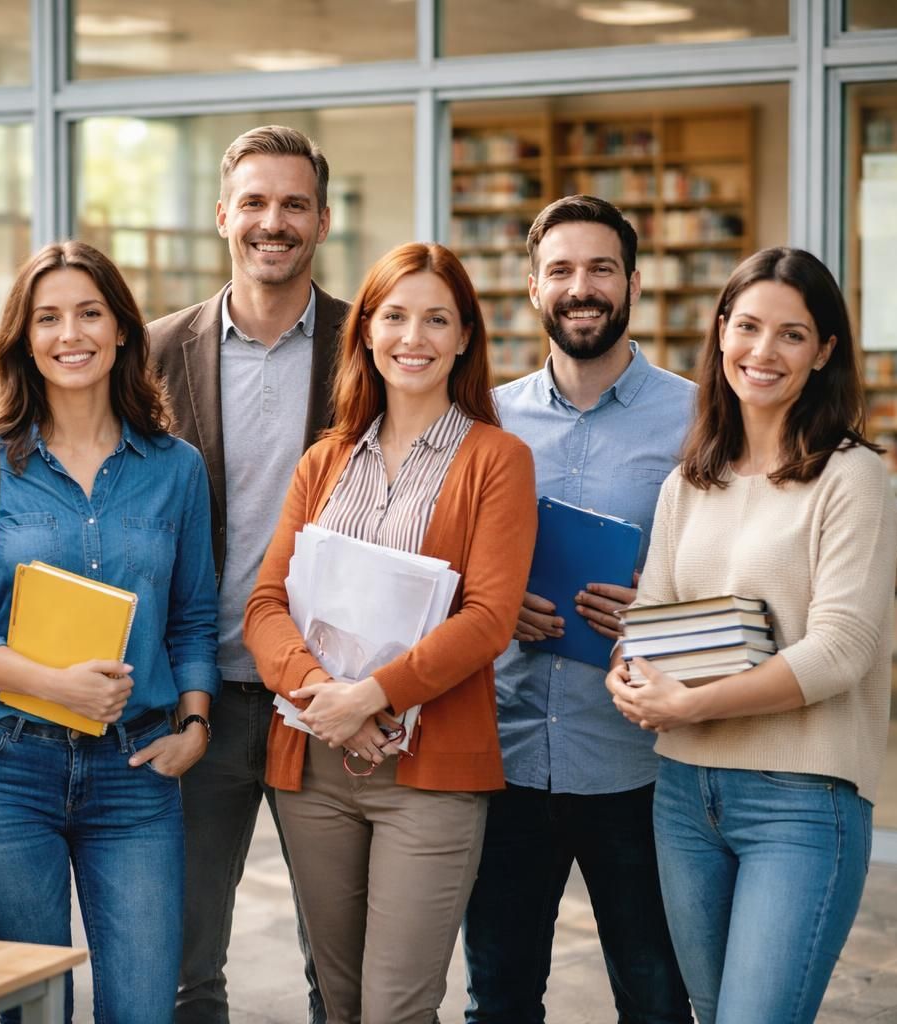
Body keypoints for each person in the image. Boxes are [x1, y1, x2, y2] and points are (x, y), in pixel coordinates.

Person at [0, 240, 219, 1022]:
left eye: (89, 312)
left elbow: (192, 614)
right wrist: (49, 683)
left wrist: (195, 721)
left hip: (138, 772)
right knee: (37, 1010)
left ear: (123, 328)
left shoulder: (174, 466)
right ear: (23, 340)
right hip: (5, 768)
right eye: (47, 318)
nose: (69, 333)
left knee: (145, 1008)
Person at [605, 248, 897, 1024]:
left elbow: (841, 649)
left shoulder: (852, 478)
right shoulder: (689, 481)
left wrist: (692, 705)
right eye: (748, 327)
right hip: (682, 795)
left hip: (801, 801)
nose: (763, 352)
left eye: (792, 335)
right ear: (720, 333)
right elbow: (650, 620)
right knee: (710, 1012)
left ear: (825, 351)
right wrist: (628, 674)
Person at [244, 242, 537, 1023]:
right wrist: (325, 697)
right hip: (313, 767)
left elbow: (489, 619)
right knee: (338, 1005)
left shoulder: (498, 459)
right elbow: (265, 604)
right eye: (396, 316)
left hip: (430, 773)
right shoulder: (325, 460)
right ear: (366, 331)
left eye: (438, 319)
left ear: (466, 336)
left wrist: (370, 696)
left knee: (396, 1010)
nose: (415, 337)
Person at [464, 196, 693, 1022]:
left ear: (632, 283)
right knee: (499, 999)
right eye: (560, 270)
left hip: (639, 763)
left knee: (658, 998)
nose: (581, 287)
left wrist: (657, 611)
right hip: (509, 756)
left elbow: (741, 584)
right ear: (532, 288)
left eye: (601, 269)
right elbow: (443, 566)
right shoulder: (484, 418)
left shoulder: (701, 417)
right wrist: (491, 604)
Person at [147, 123, 347, 1024]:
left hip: (330, 697)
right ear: (223, 213)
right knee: (187, 969)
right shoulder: (151, 352)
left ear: (323, 219)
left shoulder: (372, 345)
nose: (275, 221)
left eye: (294, 204)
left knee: (340, 975)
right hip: (203, 699)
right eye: (257, 202)